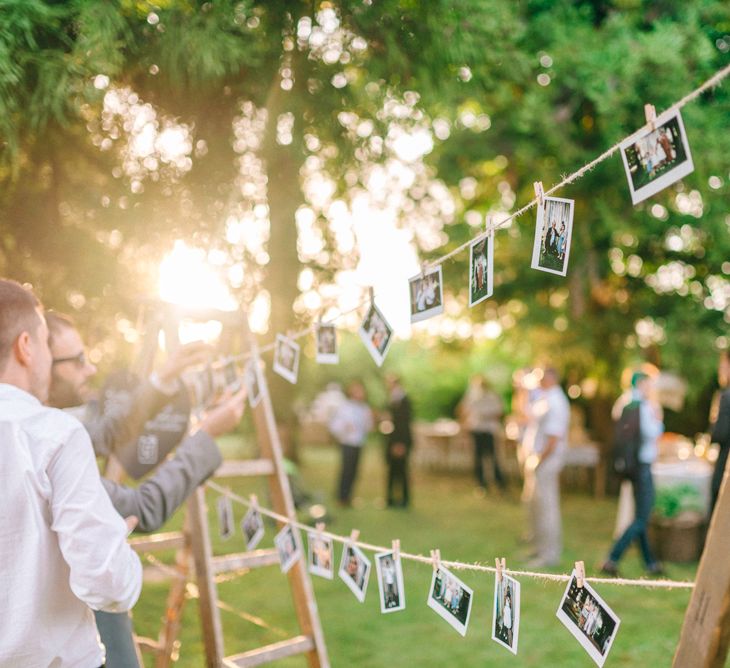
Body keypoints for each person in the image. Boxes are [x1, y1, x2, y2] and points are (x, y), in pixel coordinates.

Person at [46, 311, 246, 667]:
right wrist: (205, 437)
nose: (90, 370)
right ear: (30, 356)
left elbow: (108, 432)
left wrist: (163, 378)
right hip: (78, 636)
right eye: (77, 360)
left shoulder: (44, 427)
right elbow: (143, 506)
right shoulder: (45, 448)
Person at [0, 278, 142, 667]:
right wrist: (114, 540)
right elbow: (106, 580)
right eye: (46, 343)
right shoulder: (54, 434)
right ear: (25, 347)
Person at [601, 371, 665, 576]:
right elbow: (652, 433)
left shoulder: (623, 402)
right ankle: (612, 557)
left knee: (640, 514)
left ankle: (650, 563)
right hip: (643, 463)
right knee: (642, 516)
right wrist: (658, 420)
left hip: (630, 465)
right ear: (642, 384)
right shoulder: (644, 406)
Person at [521, 367, 570, 568]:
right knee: (536, 507)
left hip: (546, 461)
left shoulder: (557, 401)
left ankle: (549, 555)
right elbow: (528, 416)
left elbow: (554, 437)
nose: (537, 380)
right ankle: (538, 548)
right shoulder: (545, 398)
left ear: (551, 377)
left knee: (547, 508)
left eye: (541, 376)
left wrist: (539, 460)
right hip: (538, 459)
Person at [458, 375, 506, 492]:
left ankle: (499, 482)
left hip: (488, 429)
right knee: (478, 457)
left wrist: (485, 415)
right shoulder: (472, 395)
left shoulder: (492, 396)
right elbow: (462, 409)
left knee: (492, 456)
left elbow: (499, 412)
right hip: (476, 429)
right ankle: (481, 484)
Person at [329, 380, 373, 506]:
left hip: (359, 442)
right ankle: (341, 496)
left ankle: (349, 496)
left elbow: (368, 426)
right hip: (347, 442)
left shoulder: (365, 408)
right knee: (346, 470)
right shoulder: (344, 407)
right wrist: (344, 428)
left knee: (355, 470)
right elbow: (334, 425)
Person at [384, 374, 413, 507]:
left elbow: (404, 424)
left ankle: (403, 500)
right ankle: (391, 499)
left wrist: (400, 443)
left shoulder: (403, 401)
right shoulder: (392, 399)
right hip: (392, 440)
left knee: (401, 471)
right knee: (392, 471)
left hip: (399, 442)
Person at [709, 351, 729, 517]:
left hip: (725, 463)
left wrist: (713, 423)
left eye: (723, 366)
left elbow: (719, 434)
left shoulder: (726, 396)